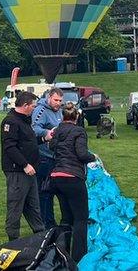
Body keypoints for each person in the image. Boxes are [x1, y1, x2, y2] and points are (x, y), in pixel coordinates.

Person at [48, 102, 96, 263]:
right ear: (77, 117)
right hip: (73, 177)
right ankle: (78, 257)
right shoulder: (79, 131)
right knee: (81, 218)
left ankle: (62, 252)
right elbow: (81, 154)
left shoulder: (58, 130)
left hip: (57, 177)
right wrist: (93, 157)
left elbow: (52, 146)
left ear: (63, 116)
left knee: (66, 217)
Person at [0, 92, 45, 240]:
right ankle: (13, 240)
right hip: (18, 171)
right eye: (33, 106)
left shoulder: (25, 121)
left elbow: (28, 143)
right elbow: (10, 147)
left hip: (30, 171)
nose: (34, 108)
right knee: (16, 205)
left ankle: (40, 235)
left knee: (33, 205)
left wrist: (44, 138)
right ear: (25, 105)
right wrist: (24, 164)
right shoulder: (11, 122)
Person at [31, 88, 63, 228]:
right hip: (44, 157)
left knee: (53, 190)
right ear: (49, 98)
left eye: (60, 101)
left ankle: (51, 220)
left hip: (55, 156)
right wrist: (47, 132)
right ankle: (45, 222)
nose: (58, 103)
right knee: (44, 191)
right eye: (56, 100)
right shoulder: (41, 110)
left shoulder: (59, 111)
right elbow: (33, 128)